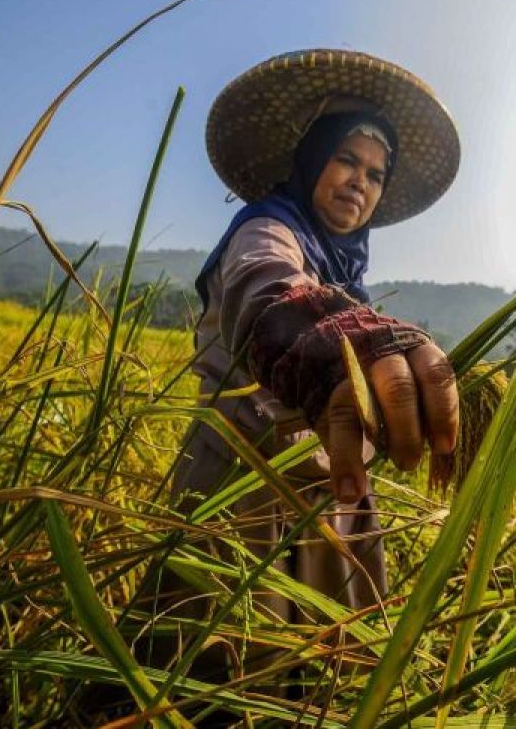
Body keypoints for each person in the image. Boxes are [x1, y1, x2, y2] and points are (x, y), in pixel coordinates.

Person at [163, 49, 462, 676]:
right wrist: (334, 344)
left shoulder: (342, 265)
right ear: (310, 159)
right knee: (219, 671)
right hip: (241, 482)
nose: (360, 181)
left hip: (326, 488)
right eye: (346, 159)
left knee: (324, 672)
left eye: (376, 174)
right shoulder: (266, 232)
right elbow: (268, 290)